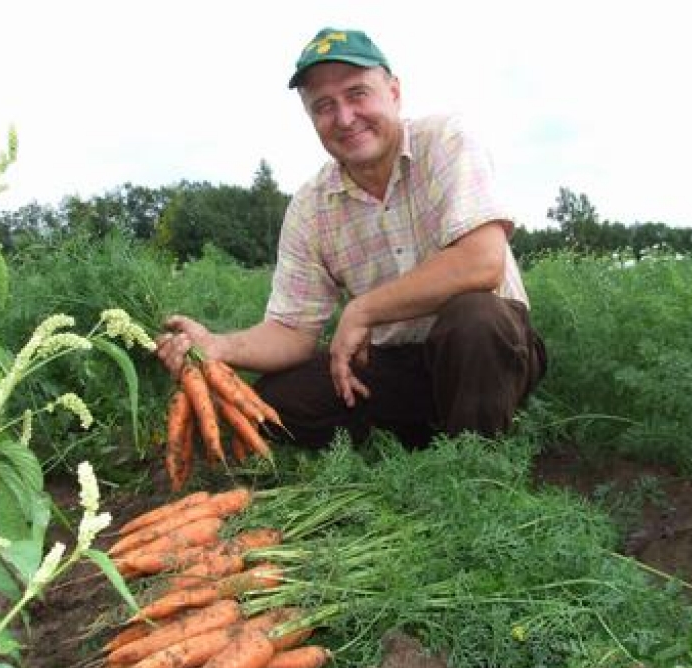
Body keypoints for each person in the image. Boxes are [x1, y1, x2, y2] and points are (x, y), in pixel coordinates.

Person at [157, 27, 546, 449]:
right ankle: (430, 430)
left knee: (475, 317)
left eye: (357, 93)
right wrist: (218, 346)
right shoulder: (311, 206)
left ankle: (477, 461)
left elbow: (481, 262)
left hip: (487, 350)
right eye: (324, 106)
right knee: (274, 400)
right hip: (396, 364)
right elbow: (291, 330)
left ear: (394, 92)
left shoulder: (446, 140)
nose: (344, 118)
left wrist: (363, 310)